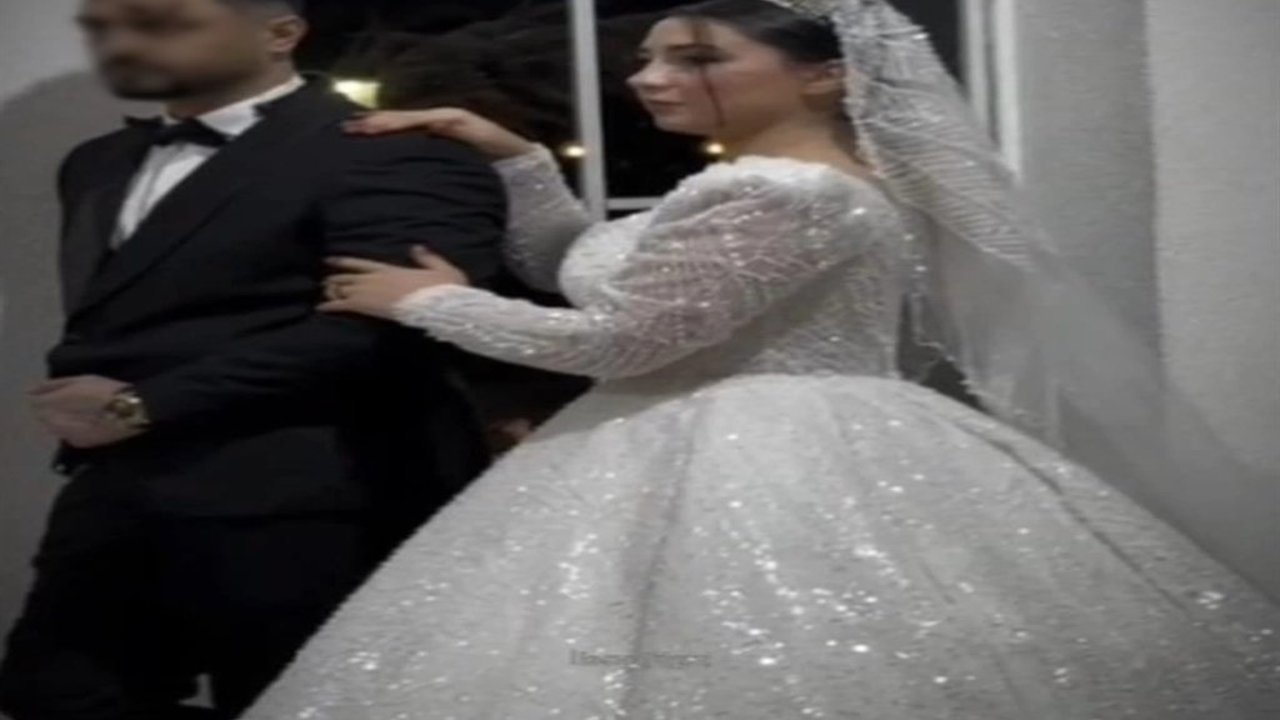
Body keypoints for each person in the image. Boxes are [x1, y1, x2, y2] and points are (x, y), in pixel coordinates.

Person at [242, 0, 1280, 718]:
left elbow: (622, 339)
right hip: (725, 428)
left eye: (696, 58)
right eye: (650, 58)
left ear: (825, 75)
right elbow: (588, 271)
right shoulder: (762, 182)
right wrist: (517, 159)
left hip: (758, 448)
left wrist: (428, 303)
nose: (650, 77)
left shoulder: (783, 191)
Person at [0, 0, 506, 717]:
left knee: (295, 703)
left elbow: (397, 327)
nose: (126, 42)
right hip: (119, 488)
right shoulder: (96, 162)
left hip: (314, 490)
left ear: (280, 33)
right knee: (53, 694)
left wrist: (142, 405)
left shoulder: (391, 148)